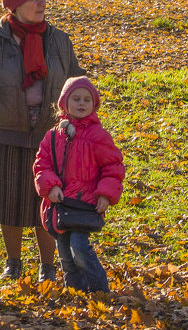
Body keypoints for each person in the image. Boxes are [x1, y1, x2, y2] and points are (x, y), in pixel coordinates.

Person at [0, 0, 85, 282]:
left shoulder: (58, 40)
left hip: (50, 135)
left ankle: (48, 266)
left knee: (46, 201)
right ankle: (14, 262)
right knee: (10, 201)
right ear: (16, 6)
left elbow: (74, 78)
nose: (42, 3)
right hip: (7, 132)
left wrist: (82, 105)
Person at [33, 76, 125, 293]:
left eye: (86, 100)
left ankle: (99, 290)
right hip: (60, 204)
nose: (81, 104)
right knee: (65, 253)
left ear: (94, 105)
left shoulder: (98, 135)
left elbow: (113, 167)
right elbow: (41, 165)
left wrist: (105, 194)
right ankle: (76, 292)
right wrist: (51, 186)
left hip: (85, 205)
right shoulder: (54, 135)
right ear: (64, 103)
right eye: (76, 99)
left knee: (80, 248)